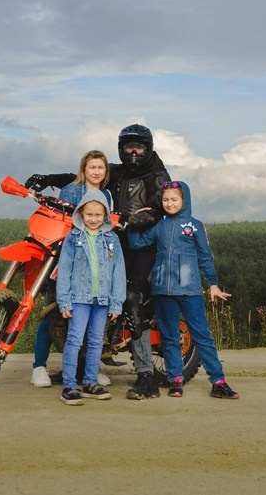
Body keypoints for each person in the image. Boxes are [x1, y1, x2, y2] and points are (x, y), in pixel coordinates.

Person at [27, 123, 171, 400]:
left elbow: (160, 207)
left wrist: (133, 220)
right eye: (128, 147)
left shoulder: (158, 175)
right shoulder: (118, 171)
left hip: (141, 245)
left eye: (139, 147)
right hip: (109, 240)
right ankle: (85, 366)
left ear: (149, 148)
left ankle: (145, 375)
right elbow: (81, 177)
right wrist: (48, 179)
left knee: (132, 297)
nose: (133, 152)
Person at [128, 180, 238, 400]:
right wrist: (134, 223)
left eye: (174, 199)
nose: (169, 204)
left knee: (202, 336)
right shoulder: (158, 226)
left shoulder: (195, 225)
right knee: (170, 338)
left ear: (184, 200)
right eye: (165, 200)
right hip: (162, 291)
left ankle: (218, 382)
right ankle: (175, 381)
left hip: (190, 291)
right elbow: (136, 243)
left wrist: (212, 283)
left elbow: (205, 256)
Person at [26, 150, 112, 388]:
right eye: (92, 167)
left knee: (88, 316)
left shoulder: (106, 194)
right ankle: (39, 366)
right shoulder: (72, 190)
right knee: (52, 309)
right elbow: (57, 220)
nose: (96, 172)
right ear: (83, 169)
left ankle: (87, 368)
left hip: (92, 261)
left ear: (106, 171)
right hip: (65, 256)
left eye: (101, 167)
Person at [54, 188, 126, 405]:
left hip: (102, 299)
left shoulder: (112, 239)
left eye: (98, 215)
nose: (93, 219)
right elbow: (64, 269)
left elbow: (119, 271)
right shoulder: (73, 237)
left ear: (105, 215)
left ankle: (90, 382)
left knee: (96, 341)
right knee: (75, 340)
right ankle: (69, 385)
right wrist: (64, 300)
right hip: (78, 298)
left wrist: (116, 302)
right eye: (89, 215)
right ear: (80, 214)